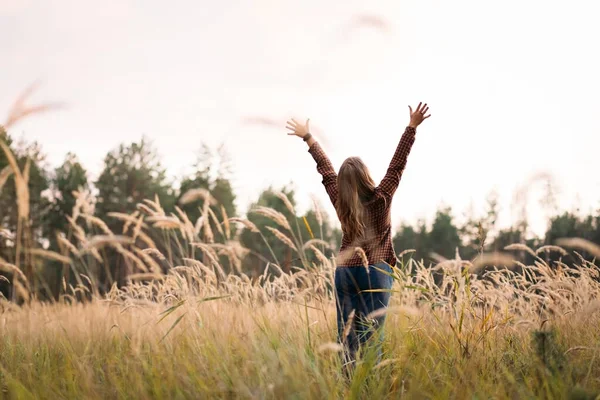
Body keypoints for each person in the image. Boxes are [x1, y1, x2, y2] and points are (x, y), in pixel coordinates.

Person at [285, 102, 431, 369]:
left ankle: (348, 387)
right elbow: (397, 166)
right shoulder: (381, 198)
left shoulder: (339, 199)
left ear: (343, 183)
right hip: (376, 271)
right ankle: (368, 388)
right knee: (372, 337)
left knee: (347, 338)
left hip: (345, 272)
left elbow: (326, 170)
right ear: (366, 177)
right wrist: (411, 128)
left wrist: (308, 137)